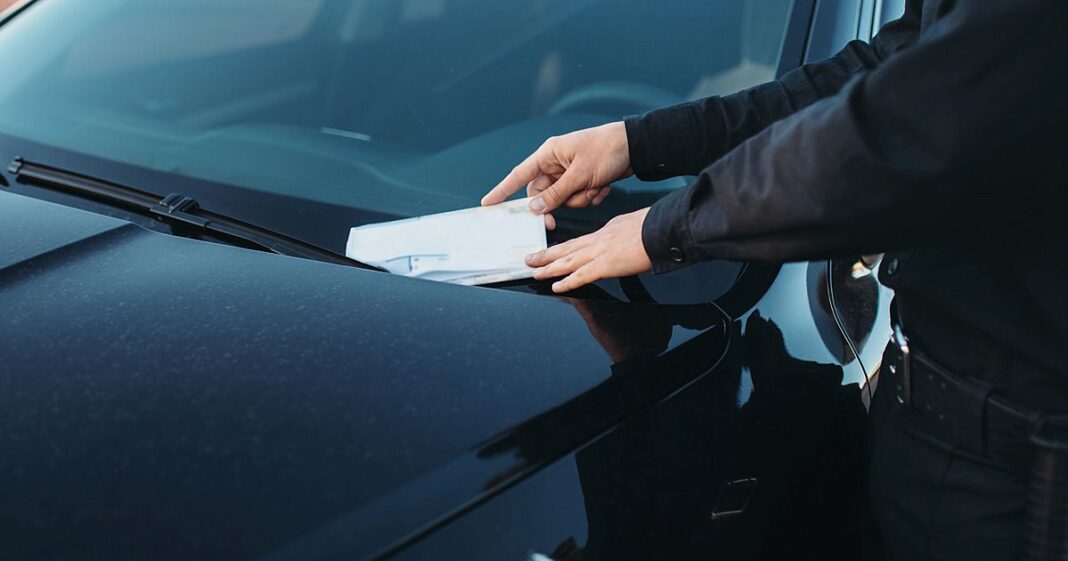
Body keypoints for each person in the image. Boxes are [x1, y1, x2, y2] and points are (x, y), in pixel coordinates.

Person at [481, 0, 1068, 560]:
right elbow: (888, 72)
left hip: (1017, 477)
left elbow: (905, 130)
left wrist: (669, 226)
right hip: (948, 437)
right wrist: (642, 142)